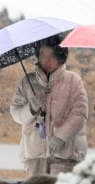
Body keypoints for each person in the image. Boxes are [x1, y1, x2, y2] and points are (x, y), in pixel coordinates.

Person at [10, 35, 88, 177]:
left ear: (61, 56)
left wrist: (62, 136)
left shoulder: (73, 80)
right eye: (43, 54)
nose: (46, 60)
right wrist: (30, 109)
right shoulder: (28, 81)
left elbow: (80, 113)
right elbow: (15, 112)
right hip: (35, 154)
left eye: (52, 55)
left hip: (64, 154)